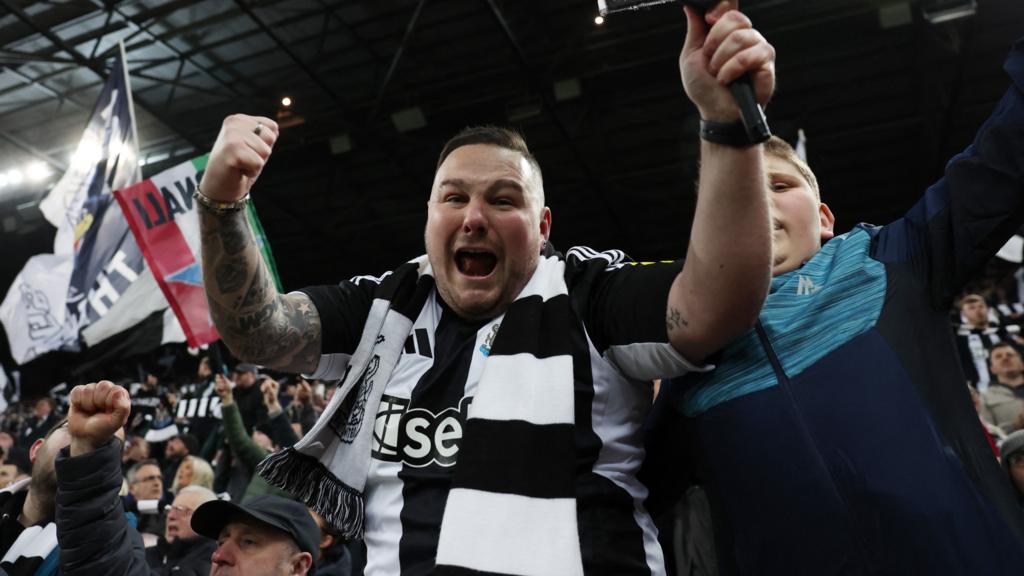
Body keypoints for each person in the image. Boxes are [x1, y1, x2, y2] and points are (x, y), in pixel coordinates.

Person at [196, 2, 774, 573]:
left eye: (502, 199)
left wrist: (726, 123)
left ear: (543, 228)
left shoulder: (585, 293)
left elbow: (712, 307)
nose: (474, 217)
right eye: (454, 197)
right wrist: (223, 203)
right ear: (428, 220)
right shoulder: (384, 305)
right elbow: (262, 334)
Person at [649, 34, 1024, 575]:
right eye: (733, 193)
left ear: (824, 218)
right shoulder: (682, 351)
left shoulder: (897, 261)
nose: (756, 199)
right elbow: (611, 491)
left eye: (778, 184)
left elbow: (1003, 162)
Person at [54, 380, 318, 576]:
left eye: (248, 542)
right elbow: (103, 564)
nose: (219, 555)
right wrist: (89, 451)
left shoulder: (295, 475)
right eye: (221, 540)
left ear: (297, 567)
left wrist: (277, 407)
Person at [0, 415, 71, 576]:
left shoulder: (113, 547)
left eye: (103, 446)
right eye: (74, 430)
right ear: (37, 450)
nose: (85, 444)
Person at [145, 485, 218, 575]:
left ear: (206, 520)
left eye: (181, 511)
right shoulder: (146, 554)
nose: (171, 516)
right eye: (170, 510)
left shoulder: (213, 558)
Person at [980, 342, 1024, 433]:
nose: (1005, 358)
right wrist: (1014, 426)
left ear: (1022, 365)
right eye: (998, 356)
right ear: (992, 369)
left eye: (1010, 355)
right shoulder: (984, 398)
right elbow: (988, 433)